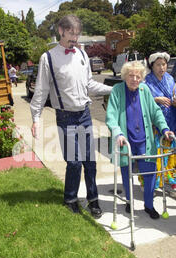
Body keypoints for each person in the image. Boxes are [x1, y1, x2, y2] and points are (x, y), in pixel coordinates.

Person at [30, 15, 113, 218]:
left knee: (90, 161)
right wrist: (35, 118)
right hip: (65, 117)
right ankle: (70, 198)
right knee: (74, 162)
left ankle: (93, 200)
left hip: (84, 114)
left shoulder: (82, 55)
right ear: (61, 31)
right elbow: (41, 90)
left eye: (77, 34)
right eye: (71, 34)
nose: (75, 39)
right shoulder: (48, 57)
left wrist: (113, 90)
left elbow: (89, 84)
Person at [106, 60, 174, 219]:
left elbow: (156, 112)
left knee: (150, 173)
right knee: (126, 172)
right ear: (124, 76)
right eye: (131, 76)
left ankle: (149, 205)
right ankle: (129, 201)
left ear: (142, 77)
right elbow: (111, 116)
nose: (134, 79)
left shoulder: (144, 90)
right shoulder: (117, 90)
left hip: (144, 140)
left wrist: (164, 129)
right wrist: (118, 133)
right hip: (126, 141)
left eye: (138, 76)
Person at [144, 52, 176, 201]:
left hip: (171, 123)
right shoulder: (146, 82)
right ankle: (150, 183)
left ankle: (171, 184)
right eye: (158, 65)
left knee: (171, 155)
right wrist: (156, 99)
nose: (161, 68)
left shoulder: (170, 80)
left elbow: (175, 98)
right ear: (152, 66)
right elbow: (141, 99)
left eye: (164, 64)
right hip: (155, 126)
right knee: (155, 155)